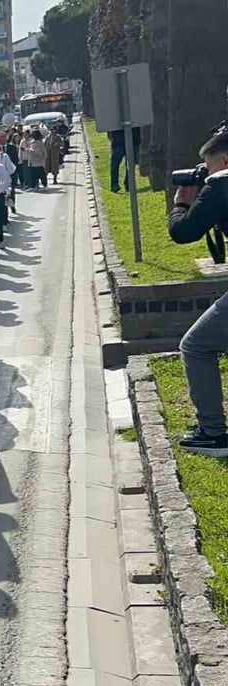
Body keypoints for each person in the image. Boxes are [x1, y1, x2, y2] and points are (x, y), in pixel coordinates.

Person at [170, 131, 228, 455]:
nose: (206, 174)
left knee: (195, 346)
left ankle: (213, 433)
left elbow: (183, 232)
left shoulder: (221, 184)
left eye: (208, 167)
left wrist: (181, 202)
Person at [108, 127, 142, 193]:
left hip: (133, 139)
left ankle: (128, 184)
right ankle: (114, 185)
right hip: (118, 140)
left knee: (131, 164)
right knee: (115, 164)